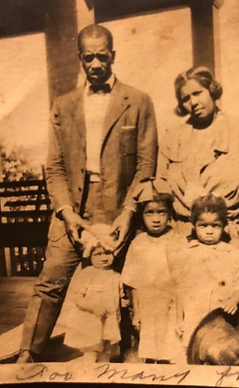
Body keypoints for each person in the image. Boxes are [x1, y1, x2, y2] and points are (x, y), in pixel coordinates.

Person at [17, 24, 158, 363]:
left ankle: (129, 352)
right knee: (50, 281)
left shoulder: (138, 101)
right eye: (88, 57)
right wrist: (66, 213)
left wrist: (128, 213)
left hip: (120, 206)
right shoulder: (62, 106)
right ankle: (28, 352)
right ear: (80, 58)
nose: (96, 64)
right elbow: (55, 167)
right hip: (74, 207)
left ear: (113, 55)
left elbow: (146, 166)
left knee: (125, 282)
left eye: (102, 56)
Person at [158, 66, 239, 251]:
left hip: (230, 238)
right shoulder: (172, 138)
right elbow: (160, 187)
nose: (193, 102)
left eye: (197, 93)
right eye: (185, 98)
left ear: (211, 90)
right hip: (182, 240)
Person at [168, 194, 239, 362]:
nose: (209, 231)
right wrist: (179, 318)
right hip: (194, 314)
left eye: (215, 226)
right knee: (191, 354)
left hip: (221, 318)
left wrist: (234, 298)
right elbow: (180, 288)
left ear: (224, 226)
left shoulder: (232, 253)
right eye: (203, 225)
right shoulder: (187, 253)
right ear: (194, 226)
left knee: (219, 355)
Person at [121, 178, 182, 364]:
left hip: (171, 304)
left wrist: (180, 314)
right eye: (149, 213)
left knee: (170, 350)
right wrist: (137, 312)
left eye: (161, 212)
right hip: (148, 305)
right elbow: (133, 281)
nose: (156, 219)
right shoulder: (138, 244)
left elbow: (182, 280)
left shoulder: (177, 240)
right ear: (142, 215)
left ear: (170, 213)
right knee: (150, 349)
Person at [60, 224, 122, 363]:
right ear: (90, 255)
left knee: (106, 352)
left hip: (110, 319)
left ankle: (103, 377)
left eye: (107, 252)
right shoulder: (87, 273)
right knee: (92, 353)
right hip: (91, 320)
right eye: (98, 254)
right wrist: (92, 306)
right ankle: (87, 374)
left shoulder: (116, 275)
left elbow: (120, 296)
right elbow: (78, 298)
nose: (104, 258)